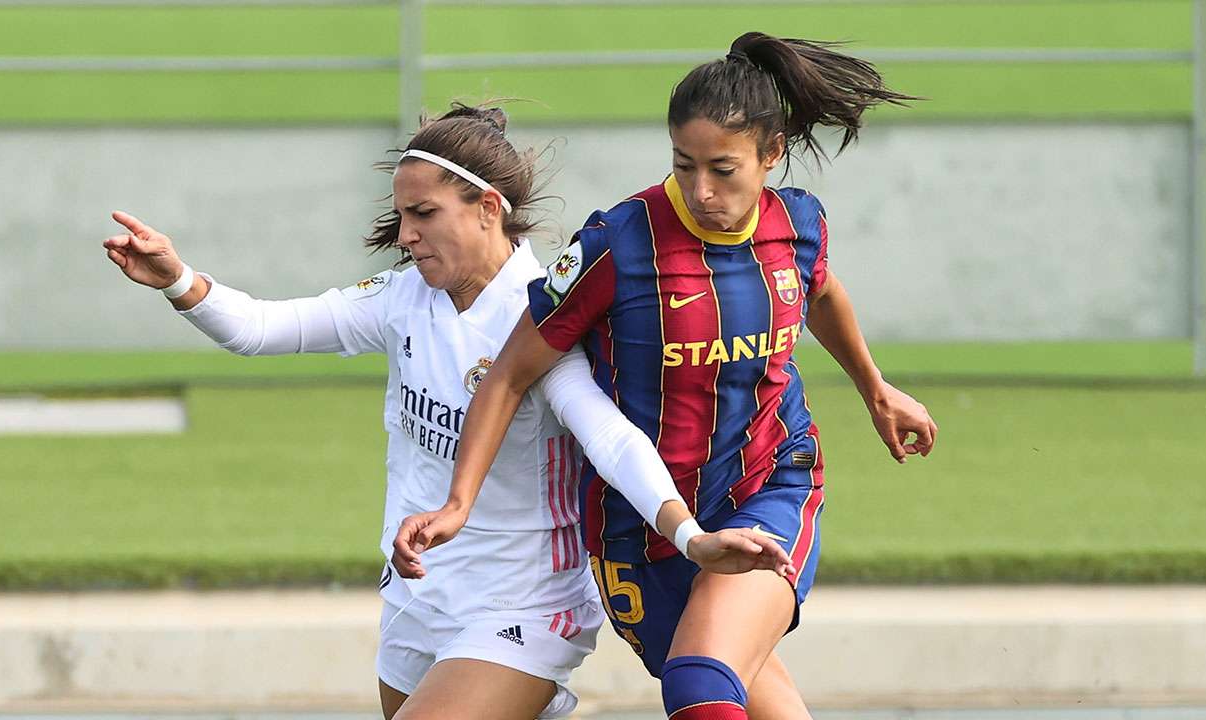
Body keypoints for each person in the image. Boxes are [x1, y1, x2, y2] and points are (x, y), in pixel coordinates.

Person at [101, 104, 790, 720]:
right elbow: (260, 329)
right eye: (402, 216)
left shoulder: (544, 312)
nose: (404, 235)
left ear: (488, 207)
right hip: (417, 599)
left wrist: (690, 535)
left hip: (523, 607)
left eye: (423, 215)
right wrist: (180, 281)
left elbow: (609, 436)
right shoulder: (405, 299)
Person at [391, 34, 939, 719]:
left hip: (768, 483)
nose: (701, 190)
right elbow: (508, 375)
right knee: (735, 691)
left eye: (723, 170)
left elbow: (821, 293)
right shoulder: (616, 245)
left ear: (771, 154)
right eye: (684, 166)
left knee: (700, 682)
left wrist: (875, 388)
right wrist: (458, 502)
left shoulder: (798, 224)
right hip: (638, 525)